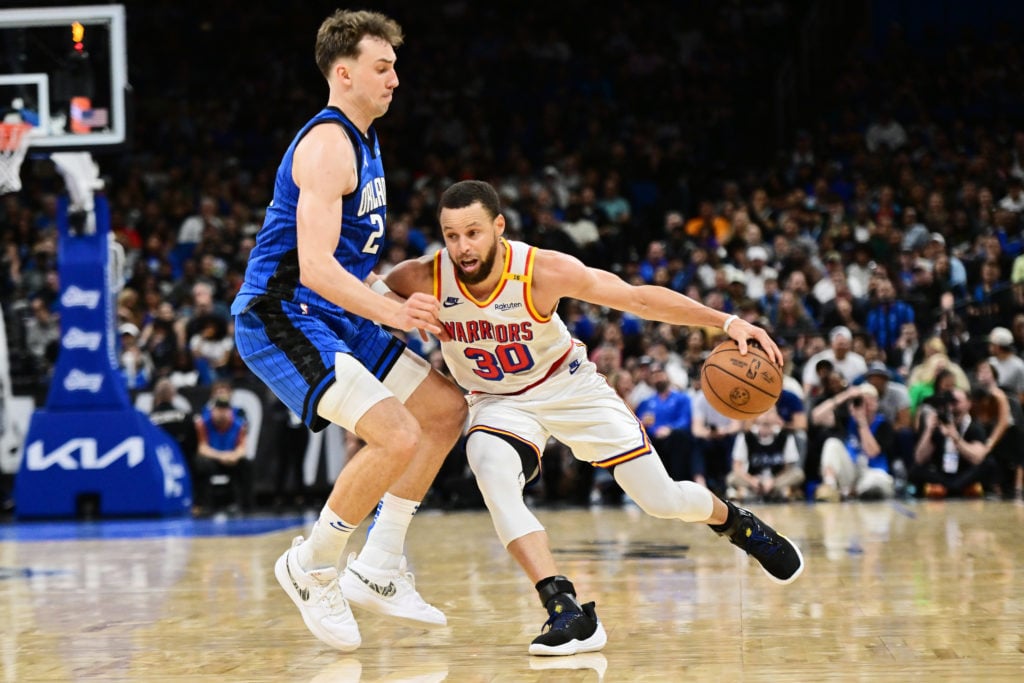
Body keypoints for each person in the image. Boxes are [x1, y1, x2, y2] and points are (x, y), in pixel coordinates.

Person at [384, 180, 803, 656]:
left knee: (661, 499)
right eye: (451, 235)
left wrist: (728, 323)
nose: (462, 247)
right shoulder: (423, 276)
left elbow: (638, 299)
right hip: (498, 400)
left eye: (473, 233)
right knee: (489, 466)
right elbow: (356, 294)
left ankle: (737, 523)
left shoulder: (541, 271)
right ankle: (565, 609)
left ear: (498, 227)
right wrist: (393, 308)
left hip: (571, 387)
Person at [229, 10, 468, 652]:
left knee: (445, 410)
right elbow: (313, 267)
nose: (395, 79)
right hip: (283, 313)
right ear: (345, 73)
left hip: (336, 312)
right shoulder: (328, 144)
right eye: (382, 67)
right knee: (394, 434)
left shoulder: (366, 139)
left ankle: (379, 564)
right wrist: (394, 313)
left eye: (395, 66)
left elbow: (352, 264)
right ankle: (312, 565)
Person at [810, 382, 895, 502]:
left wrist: (862, 422)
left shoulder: (883, 424)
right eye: (861, 400)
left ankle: (851, 492)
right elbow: (816, 417)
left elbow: (872, 452)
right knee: (832, 444)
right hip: (850, 471)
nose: (864, 405)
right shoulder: (848, 420)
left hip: (872, 472)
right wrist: (845, 396)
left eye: (869, 400)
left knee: (877, 483)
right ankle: (830, 487)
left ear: (876, 403)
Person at [909, 388, 989, 499]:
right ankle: (953, 487)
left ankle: (951, 487)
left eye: (956, 402)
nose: (952, 406)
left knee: (988, 464)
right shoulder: (938, 425)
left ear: (968, 404)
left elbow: (977, 458)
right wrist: (928, 430)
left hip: (964, 473)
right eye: (950, 402)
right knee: (916, 469)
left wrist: (954, 437)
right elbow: (919, 458)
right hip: (943, 474)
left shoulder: (974, 427)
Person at [727, 407, 805, 502]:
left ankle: (750, 493)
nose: (766, 416)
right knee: (731, 477)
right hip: (753, 479)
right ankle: (777, 493)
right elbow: (737, 466)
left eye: (770, 413)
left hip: (776, 480)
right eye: (763, 412)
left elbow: (788, 467)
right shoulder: (746, 436)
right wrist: (752, 481)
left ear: (777, 416)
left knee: (798, 474)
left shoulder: (785, 436)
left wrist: (773, 481)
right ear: (756, 416)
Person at [194, 394, 254, 513]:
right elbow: (202, 448)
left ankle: (246, 506)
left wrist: (233, 456)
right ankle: (203, 505)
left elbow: (242, 448)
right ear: (213, 410)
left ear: (230, 411)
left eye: (225, 410)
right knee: (201, 464)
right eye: (219, 409)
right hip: (212, 459)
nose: (222, 413)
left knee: (246, 465)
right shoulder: (203, 424)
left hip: (231, 460)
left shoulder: (239, 425)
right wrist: (221, 456)